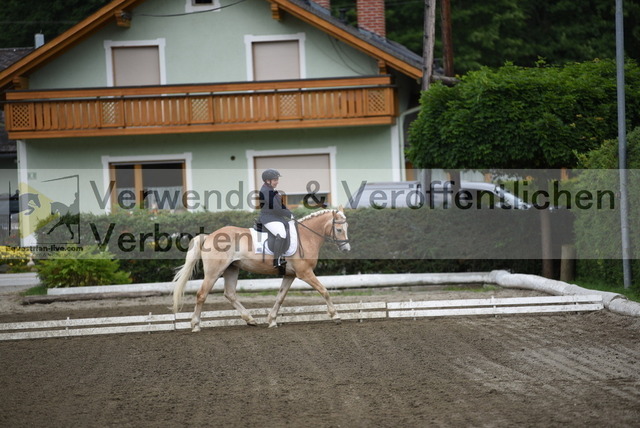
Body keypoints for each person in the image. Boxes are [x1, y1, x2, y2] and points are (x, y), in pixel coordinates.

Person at [258, 169, 293, 272]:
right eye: (275, 180)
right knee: (281, 234)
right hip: (269, 218)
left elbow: (281, 206)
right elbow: (276, 208)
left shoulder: (272, 190)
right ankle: (277, 260)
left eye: (277, 179)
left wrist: (291, 214)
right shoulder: (266, 191)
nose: (277, 182)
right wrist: (289, 215)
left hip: (275, 218)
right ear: (267, 181)